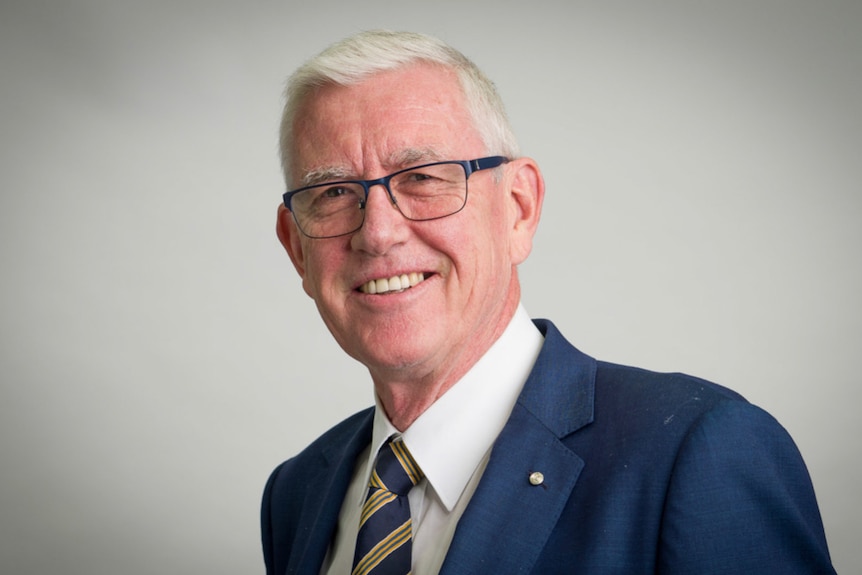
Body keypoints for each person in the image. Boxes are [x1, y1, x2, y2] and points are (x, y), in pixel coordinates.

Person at [261, 30, 835, 574]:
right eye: (333, 193)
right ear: (296, 250)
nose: (378, 233)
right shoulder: (297, 493)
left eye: (423, 177)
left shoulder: (697, 453)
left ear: (518, 208)